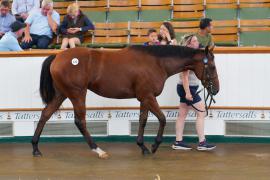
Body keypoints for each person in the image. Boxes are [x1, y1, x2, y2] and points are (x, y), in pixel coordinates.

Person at [172, 34, 216, 151]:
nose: (198, 42)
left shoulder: (193, 55)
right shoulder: (186, 57)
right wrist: (187, 93)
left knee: (182, 115)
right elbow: (184, 76)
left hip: (186, 88)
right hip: (187, 88)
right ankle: (202, 143)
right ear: (189, 44)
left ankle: (178, 141)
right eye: (195, 41)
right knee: (202, 112)